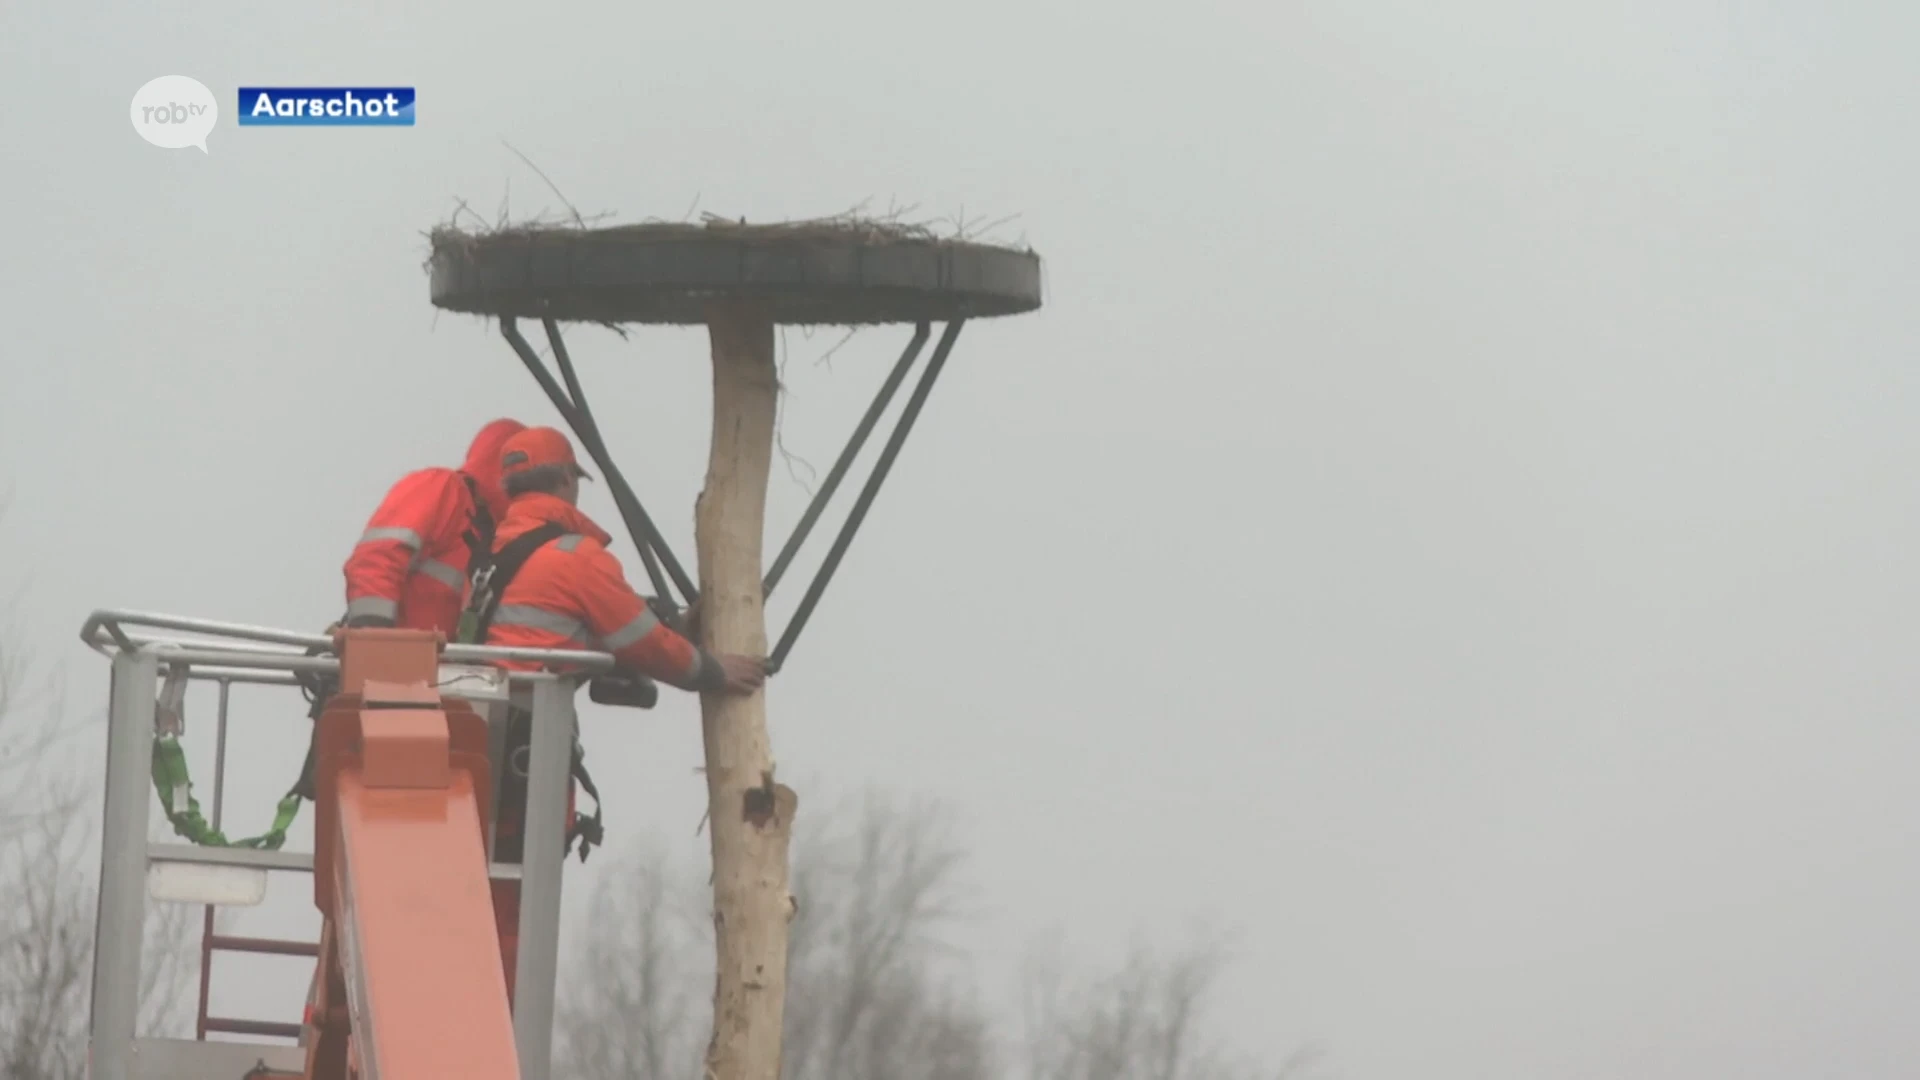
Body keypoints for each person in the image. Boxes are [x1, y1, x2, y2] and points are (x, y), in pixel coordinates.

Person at [475, 424, 765, 998]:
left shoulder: (492, 556)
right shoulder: (574, 558)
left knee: (486, 902)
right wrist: (711, 669)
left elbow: (585, 628)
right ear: (565, 481)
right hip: (528, 756)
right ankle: (498, 1037)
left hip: (486, 744)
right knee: (513, 918)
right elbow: (641, 642)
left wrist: (666, 632)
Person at [339, 417, 528, 632]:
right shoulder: (444, 488)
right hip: (396, 655)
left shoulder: (496, 536)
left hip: (434, 661)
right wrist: (373, 636)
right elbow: (377, 558)